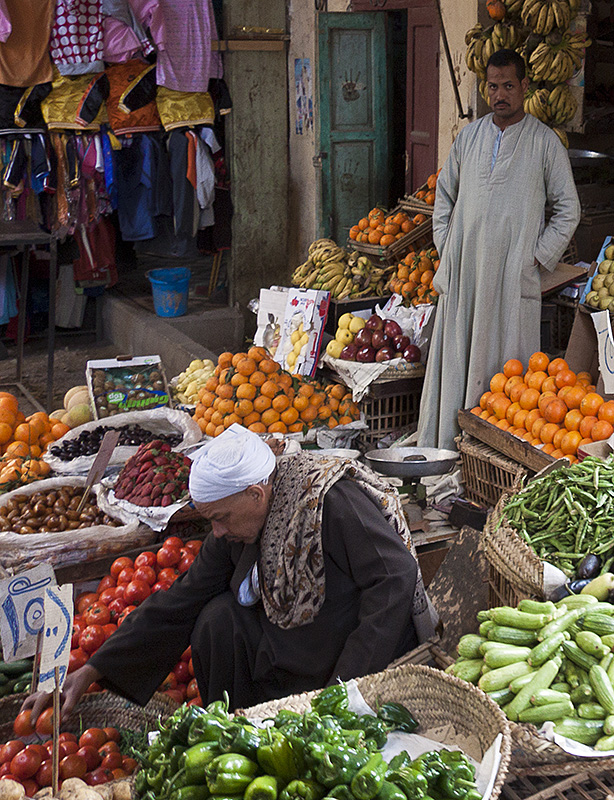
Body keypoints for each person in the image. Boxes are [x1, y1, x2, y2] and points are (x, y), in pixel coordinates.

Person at [24, 424, 434, 720]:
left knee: (230, 619)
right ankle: (239, 724)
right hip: (288, 643)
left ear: (257, 493)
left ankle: (313, 709)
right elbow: (182, 598)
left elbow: (395, 577)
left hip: (344, 646)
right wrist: (94, 668)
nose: (217, 533)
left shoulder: (330, 499)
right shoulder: (237, 523)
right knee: (216, 619)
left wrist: (344, 693)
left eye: (220, 519)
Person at [417, 48, 581, 450]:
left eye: (509, 85)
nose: (501, 94)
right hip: (465, 272)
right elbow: (444, 198)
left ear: (524, 87)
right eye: (494, 86)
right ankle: (445, 445)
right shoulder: (469, 138)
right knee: (458, 358)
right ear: (485, 88)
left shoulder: (545, 143)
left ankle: (491, 454)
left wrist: (537, 258)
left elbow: (568, 209)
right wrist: (448, 246)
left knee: (508, 377)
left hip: (513, 275)